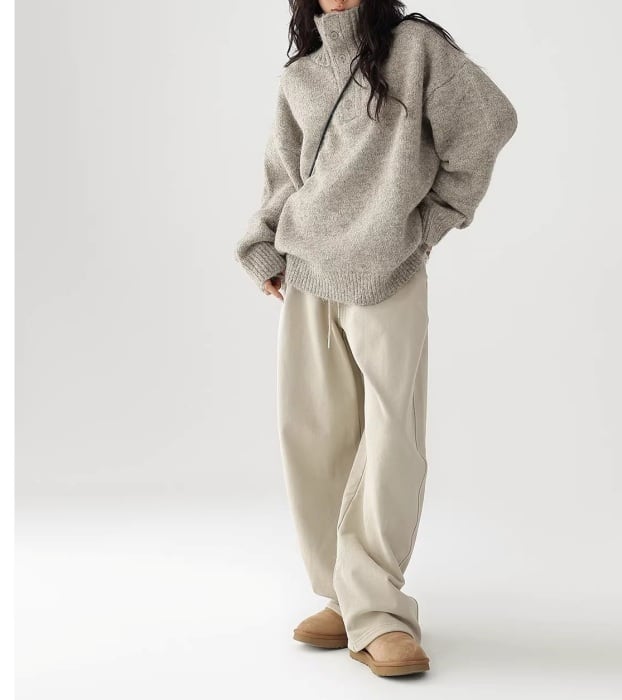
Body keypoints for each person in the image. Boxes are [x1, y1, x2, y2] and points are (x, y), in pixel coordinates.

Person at [235, 0, 517, 678]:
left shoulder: (414, 49)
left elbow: (489, 124)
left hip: (387, 272)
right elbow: (284, 175)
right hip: (307, 271)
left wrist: (427, 226)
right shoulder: (301, 75)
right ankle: (344, 595)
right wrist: (262, 245)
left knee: (392, 439)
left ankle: (380, 610)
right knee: (313, 434)